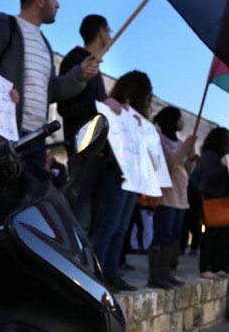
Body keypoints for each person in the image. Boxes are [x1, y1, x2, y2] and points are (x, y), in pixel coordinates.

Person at [0, 0, 99, 164]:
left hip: (36, 140)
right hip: (3, 136)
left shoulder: (45, 44)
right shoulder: (3, 25)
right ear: (40, 0)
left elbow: (51, 91)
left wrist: (79, 74)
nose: (58, 5)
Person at [88, 71, 153, 292]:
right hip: (115, 172)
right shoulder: (111, 108)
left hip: (131, 177)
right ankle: (97, 275)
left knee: (121, 227)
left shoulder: (139, 119)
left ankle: (112, 272)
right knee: (109, 225)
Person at [58, 15, 121, 230]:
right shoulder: (76, 60)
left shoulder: (93, 67)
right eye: (109, 31)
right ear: (102, 31)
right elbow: (66, 107)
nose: (110, 37)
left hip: (96, 154)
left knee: (93, 222)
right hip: (82, 151)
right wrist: (102, 106)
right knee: (80, 221)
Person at [151, 107, 197, 288]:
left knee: (173, 236)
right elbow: (171, 162)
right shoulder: (161, 140)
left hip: (181, 195)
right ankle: (156, 275)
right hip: (167, 196)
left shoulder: (178, 143)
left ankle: (167, 272)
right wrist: (186, 147)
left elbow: (185, 169)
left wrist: (191, 158)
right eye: (180, 119)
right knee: (163, 234)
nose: (182, 123)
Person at [196, 127, 229, 279]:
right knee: (209, 235)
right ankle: (205, 267)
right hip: (210, 199)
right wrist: (222, 166)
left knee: (219, 235)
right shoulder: (209, 155)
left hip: (221, 199)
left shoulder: (219, 156)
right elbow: (208, 178)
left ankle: (216, 266)